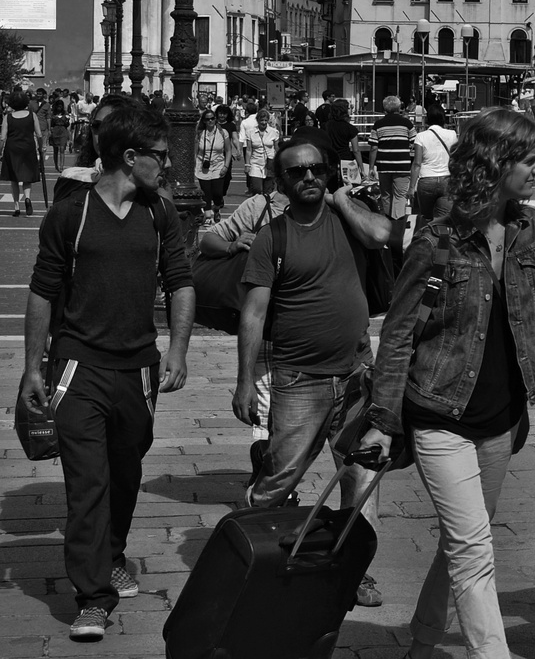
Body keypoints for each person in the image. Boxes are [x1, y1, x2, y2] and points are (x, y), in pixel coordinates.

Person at [359, 108, 535, 659]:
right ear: (494, 164)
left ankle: (422, 647)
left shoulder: (529, 227)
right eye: (527, 159)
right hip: (440, 413)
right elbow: (398, 336)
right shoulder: (440, 238)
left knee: (460, 545)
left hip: (503, 417)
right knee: (473, 547)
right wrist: (381, 422)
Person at [20, 106, 194, 642]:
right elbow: (43, 292)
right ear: (130, 156)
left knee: (125, 471)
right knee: (87, 481)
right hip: (78, 366)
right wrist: (32, 369)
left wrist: (179, 350)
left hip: (138, 369)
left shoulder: (159, 212)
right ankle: (93, 597)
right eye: (160, 156)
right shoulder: (70, 216)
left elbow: (181, 282)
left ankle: (113, 552)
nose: (167, 164)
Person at [233, 135, 393, 608]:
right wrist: (244, 381)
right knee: (278, 479)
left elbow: (382, 235)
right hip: (299, 380)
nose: (308, 178)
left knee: (361, 477)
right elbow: (253, 314)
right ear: (280, 181)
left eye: (316, 170)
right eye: (297, 172)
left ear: (328, 173)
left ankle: (352, 569)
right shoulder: (273, 236)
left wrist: (342, 197)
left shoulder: (349, 219)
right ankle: (253, 558)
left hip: (358, 374)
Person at [199, 173, 291, 471]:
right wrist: (233, 245)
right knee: (266, 412)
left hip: (309, 331)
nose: (308, 177)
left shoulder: (329, 211)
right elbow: (209, 239)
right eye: (297, 171)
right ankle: (271, 486)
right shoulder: (259, 207)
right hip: (265, 328)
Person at [411, 105, 458, 226]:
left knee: (426, 219)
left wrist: (411, 188)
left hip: (426, 180)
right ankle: (442, 242)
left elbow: (417, 164)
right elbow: (456, 158)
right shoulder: (452, 134)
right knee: (444, 220)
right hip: (447, 179)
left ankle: (426, 241)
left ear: (428, 119)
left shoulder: (420, 136)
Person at [1, 88, 46, 215]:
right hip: (28, 148)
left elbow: (2, 137)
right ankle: (27, 198)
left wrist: (0, 151)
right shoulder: (32, 115)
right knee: (27, 178)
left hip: (12, 149)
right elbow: (39, 134)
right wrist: (41, 148)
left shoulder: (8, 117)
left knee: (14, 179)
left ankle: (16, 207)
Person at [370, 95, 415, 219]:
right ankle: (398, 224)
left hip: (384, 166)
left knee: (386, 195)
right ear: (399, 107)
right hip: (402, 166)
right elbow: (414, 142)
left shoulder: (378, 124)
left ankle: (388, 222)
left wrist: (371, 168)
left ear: (384, 108)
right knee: (400, 196)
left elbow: (373, 148)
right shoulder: (407, 123)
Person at [194, 109, 236, 224]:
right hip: (203, 166)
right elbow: (195, 151)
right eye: (207, 119)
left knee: (217, 193)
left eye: (212, 118)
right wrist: (194, 165)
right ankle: (208, 217)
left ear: (215, 119)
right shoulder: (199, 133)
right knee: (206, 193)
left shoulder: (223, 132)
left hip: (218, 165)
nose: (210, 121)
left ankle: (216, 208)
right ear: (204, 121)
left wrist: (226, 167)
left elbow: (228, 151)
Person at [238, 103, 279, 196]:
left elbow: (277, 149)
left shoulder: (274, 132)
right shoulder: (251, 132)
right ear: (257, 120)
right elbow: (248, 149)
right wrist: (247, 164)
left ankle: (266, 208)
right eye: (261, 120)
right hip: (255, 163)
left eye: (265, 120)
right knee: (257, 189)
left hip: (269, 164)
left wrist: (277, 163)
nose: (263, 122)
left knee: (267, 191)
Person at [323, 97, 361, 184]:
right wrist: (361, 168)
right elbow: (356, 150)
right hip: (346, 160)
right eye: (348, 108)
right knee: (347, 186)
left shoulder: (326, 125)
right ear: (343, 110)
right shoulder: (350, 128)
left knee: (331, 186)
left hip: (330, 159)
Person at [48, 97, 71, 171]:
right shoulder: (52, 114)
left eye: (61, 106)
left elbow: (67, 125)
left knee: (62, 149)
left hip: (63, 131)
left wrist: (67, 120)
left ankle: (61, 166)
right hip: (55, 131)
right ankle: (56, 165)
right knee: (55, 149)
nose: (59, 107)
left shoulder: (66, 114)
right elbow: (51, 124)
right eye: (58, 106)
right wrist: (50, 130)